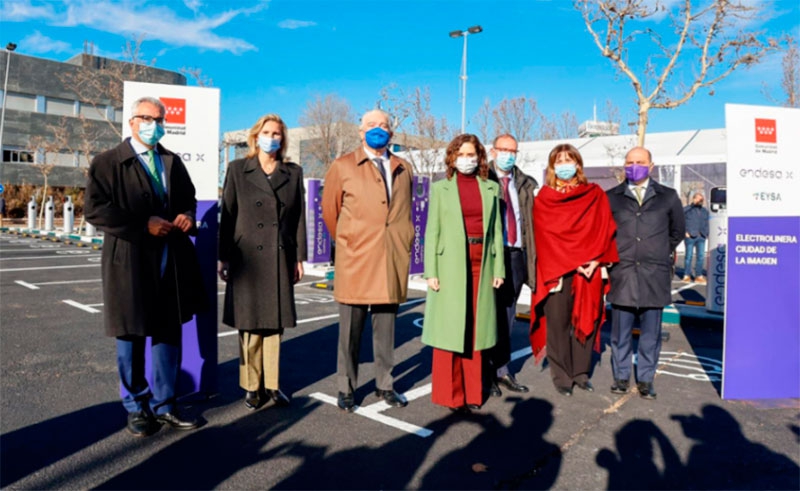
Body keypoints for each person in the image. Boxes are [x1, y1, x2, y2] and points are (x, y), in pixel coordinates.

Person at [85, 96, 206, 437]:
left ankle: (165, 405)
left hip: (171, 260)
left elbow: (189, 199)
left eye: (160, 118)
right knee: (131, 336)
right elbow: (95, 210)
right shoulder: (108, 162)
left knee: (168, 334)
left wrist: (187, 216)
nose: (155, 124)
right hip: (130, 262)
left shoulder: (171, 161)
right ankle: (136, 406)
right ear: (133, 122)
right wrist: (143, 225)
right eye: (148, 118)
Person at [321, 109, 415, 412]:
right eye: (372, 125)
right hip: (356, 259)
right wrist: (350, 241)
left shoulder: (403, 167)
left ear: (391, 133)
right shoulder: (343, 166)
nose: (378, 129)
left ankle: (385, 385)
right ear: (360, 132)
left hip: (391, 258)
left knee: (386, 330)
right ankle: (345, 387)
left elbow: (405, 211)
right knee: (350, 330)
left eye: (384, 125)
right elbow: (330, 212)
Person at [218, 114, 307, 410]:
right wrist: (223, 256)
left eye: (277, 133)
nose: (272, 137)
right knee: (250, 324)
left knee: (274, 325)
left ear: (283, 139)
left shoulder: (293, 172)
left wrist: (299, 258)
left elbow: (298, 219)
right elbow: (227, 216)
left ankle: (272, 385)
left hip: (280, 255)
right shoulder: (237, 169)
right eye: (267, 132)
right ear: (255, 136)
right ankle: (251, 386)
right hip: (247, 258)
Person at [422, 133, 505, 412]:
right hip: (449, 264)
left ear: (480, 157)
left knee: (476, 329)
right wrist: (430, 271)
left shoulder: (490, 188)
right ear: (452, 158)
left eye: (472, 155)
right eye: (461, 155)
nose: (467, 160)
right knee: (450, 329)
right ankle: (450, 395)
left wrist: (499, 267)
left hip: (483, 261)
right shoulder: (440, 189)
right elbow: (432, 232)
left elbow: (497, 232)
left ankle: (472, 393)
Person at [529, 144, 618, 397]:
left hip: (589, 269)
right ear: (552, 166)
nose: (565, 165)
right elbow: (545, 237)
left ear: (578, 165)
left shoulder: (594, 194)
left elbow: (605, 229)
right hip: (557, 270)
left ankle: (581, 373)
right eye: (559, 160)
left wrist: (595, 260)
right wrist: (572, 260)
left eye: (570, 160)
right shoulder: (544, 198)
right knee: (557, 325)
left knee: (586, 319)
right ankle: (562, 376)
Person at [606, 146, 685, 400]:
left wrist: (658, 251)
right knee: (620, 332)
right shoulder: (612, 197)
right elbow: (605, 232)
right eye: (629, 162)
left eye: (639, 162)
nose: (634, 166)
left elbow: (677, 231)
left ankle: (646, 379)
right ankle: (620, 376)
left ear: (651, 166)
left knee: (651, 333)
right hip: (624, 272)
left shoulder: (668, 196)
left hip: (654, 275)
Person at [486, 133, 537, 397]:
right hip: (490, 256)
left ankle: (502, 370)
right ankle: (485, 372)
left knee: (507, 315)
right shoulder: (483, 178)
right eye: (503, 149)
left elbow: (529, 221)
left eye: (513, 150)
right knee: (487, 315)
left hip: (516, 255)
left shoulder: (524, 184)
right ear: (493, 151)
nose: (508, 154)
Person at [682, 191, 709, 284]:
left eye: (701, 199)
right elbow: (680, 219)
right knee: (688, 256)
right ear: (693, 199)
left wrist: (706, 233)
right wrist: (685, 232)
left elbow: (707, 222)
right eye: (698, 198)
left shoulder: (705, 211)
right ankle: (686, 275)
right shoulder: (687, 209)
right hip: (690, 236)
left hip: (701, 236)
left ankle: (699, 276)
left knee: (701, 257)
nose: (700, 200)